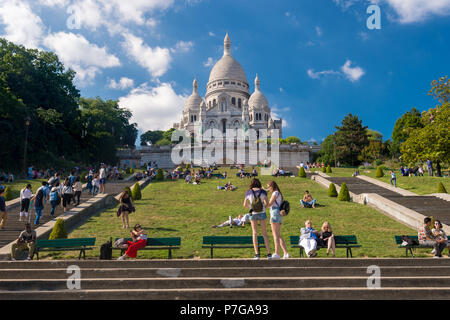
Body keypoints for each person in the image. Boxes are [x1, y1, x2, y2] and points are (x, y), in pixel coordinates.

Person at [243, 178, 272, 260]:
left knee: (254, 233)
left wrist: (251, 208)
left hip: (253, 214)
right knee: (264, 234)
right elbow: (268, 203)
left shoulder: (248, 192)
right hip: (262, 213)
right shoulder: (263, 191)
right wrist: (263, 208)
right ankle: (269, 254)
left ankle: (257, 254)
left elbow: (244, 204)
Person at [267, 181, 289, 259]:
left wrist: (264, 199)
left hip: (274, 212)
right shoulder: (278, 193)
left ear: (272, 186)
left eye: (269, 187)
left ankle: (277, 253)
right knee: (278, 235)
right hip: (278, 213)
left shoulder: (275, 193)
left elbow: (269, 204)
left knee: (275, 235)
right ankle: (286, 252)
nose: (268, 189)